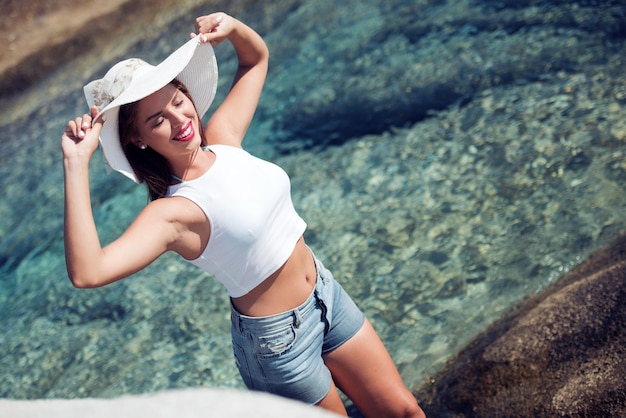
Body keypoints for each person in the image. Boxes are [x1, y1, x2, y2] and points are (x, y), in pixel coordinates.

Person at [62, 11, 425, 418]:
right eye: (158, 120)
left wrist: (232, 28)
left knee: (405, 412)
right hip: (277, 344)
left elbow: (255, 60)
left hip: (327, 295)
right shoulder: (173, 213)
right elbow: (87, 272)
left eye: (179, 101)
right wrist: (76, 164)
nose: (180, 120)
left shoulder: (223, 138)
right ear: (138, 139)